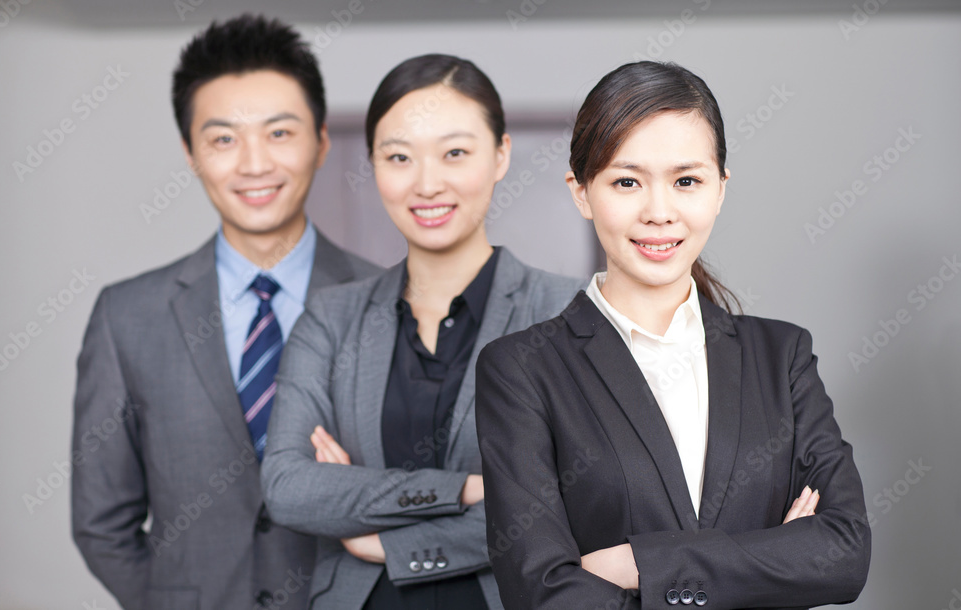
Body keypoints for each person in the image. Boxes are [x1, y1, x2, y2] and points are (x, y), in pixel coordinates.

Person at [475, 61, 871, 609]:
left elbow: (843, 554)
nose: (659, 212)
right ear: (582, 192)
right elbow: (539, 592)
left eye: (686, 181)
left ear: (720, 189)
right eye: (626, 181)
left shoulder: (782, 357)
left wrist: (636, 565)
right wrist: (771, 557)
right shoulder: (522, 370)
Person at [71, 15, 379, 610]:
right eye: (223, 139)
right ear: (190, 153)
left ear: (319, 142)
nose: (254, 163)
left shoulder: (389, 299)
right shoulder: (127, 316)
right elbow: (100, 523)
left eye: (279, 133)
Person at [260, 54, 583, 610]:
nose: (427, 183)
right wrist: (463, 490)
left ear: (501, 154)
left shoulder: (568, 314)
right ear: (373, 164)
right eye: (399, 157)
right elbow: (288, 487)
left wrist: (381, 538)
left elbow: (577, 499)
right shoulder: (330, 319)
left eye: (455, 152)